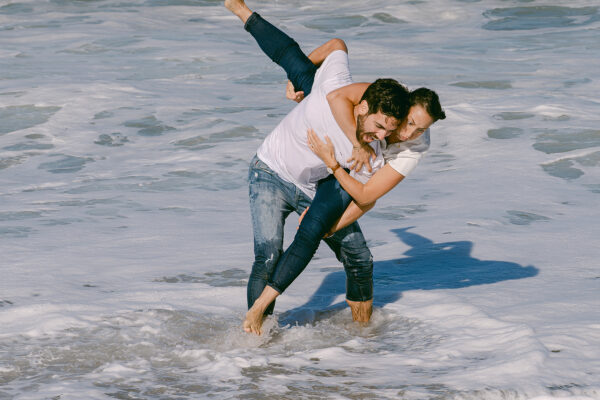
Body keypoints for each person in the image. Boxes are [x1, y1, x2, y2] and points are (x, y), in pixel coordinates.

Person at [225, 0, 411, 335]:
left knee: (359, 257)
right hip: (270, 171)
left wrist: (327, 226)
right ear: (363, 106)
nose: (380, 136)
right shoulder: (333, 83)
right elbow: (323, 47)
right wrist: (293, 76)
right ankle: (255, 343)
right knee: (268, 255)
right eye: (378, 126)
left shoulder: (372, 151)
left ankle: (363, 339)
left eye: (389, 130)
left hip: (315, 186)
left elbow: (365, 198)